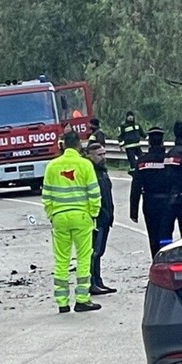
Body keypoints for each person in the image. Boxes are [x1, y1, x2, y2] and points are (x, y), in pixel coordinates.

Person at [42, 131, 102, 314]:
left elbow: (46, 195)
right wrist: (93, 214)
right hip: (81, 217)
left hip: (59, 218)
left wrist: (52, 214)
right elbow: (94, 193)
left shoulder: (52, 166)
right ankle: (82, 299)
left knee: (61, 259)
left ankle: (62, 301)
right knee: (84, 257)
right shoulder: (85, 165)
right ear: (79, 145)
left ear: (62, 145)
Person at [130, 127, 177, 257]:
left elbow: (136, 187)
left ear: (149, 143)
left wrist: (133, 211)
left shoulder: (142, 161)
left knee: (153, 234)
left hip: (150, 203)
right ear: (162, 142)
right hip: (168, 203)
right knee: (167, 233)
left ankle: (156, 260)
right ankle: (166, 258)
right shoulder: (170, 159)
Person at [84, 142, 117, 294]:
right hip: (96, 219)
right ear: (89, 156)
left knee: (99, 252)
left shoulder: (103, 171)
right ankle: (92, 283)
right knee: (94, 252)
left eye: (104, 154)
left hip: (105, 218)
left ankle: (98, 280)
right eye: (99, 155)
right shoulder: (90, 172)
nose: (103, 157)